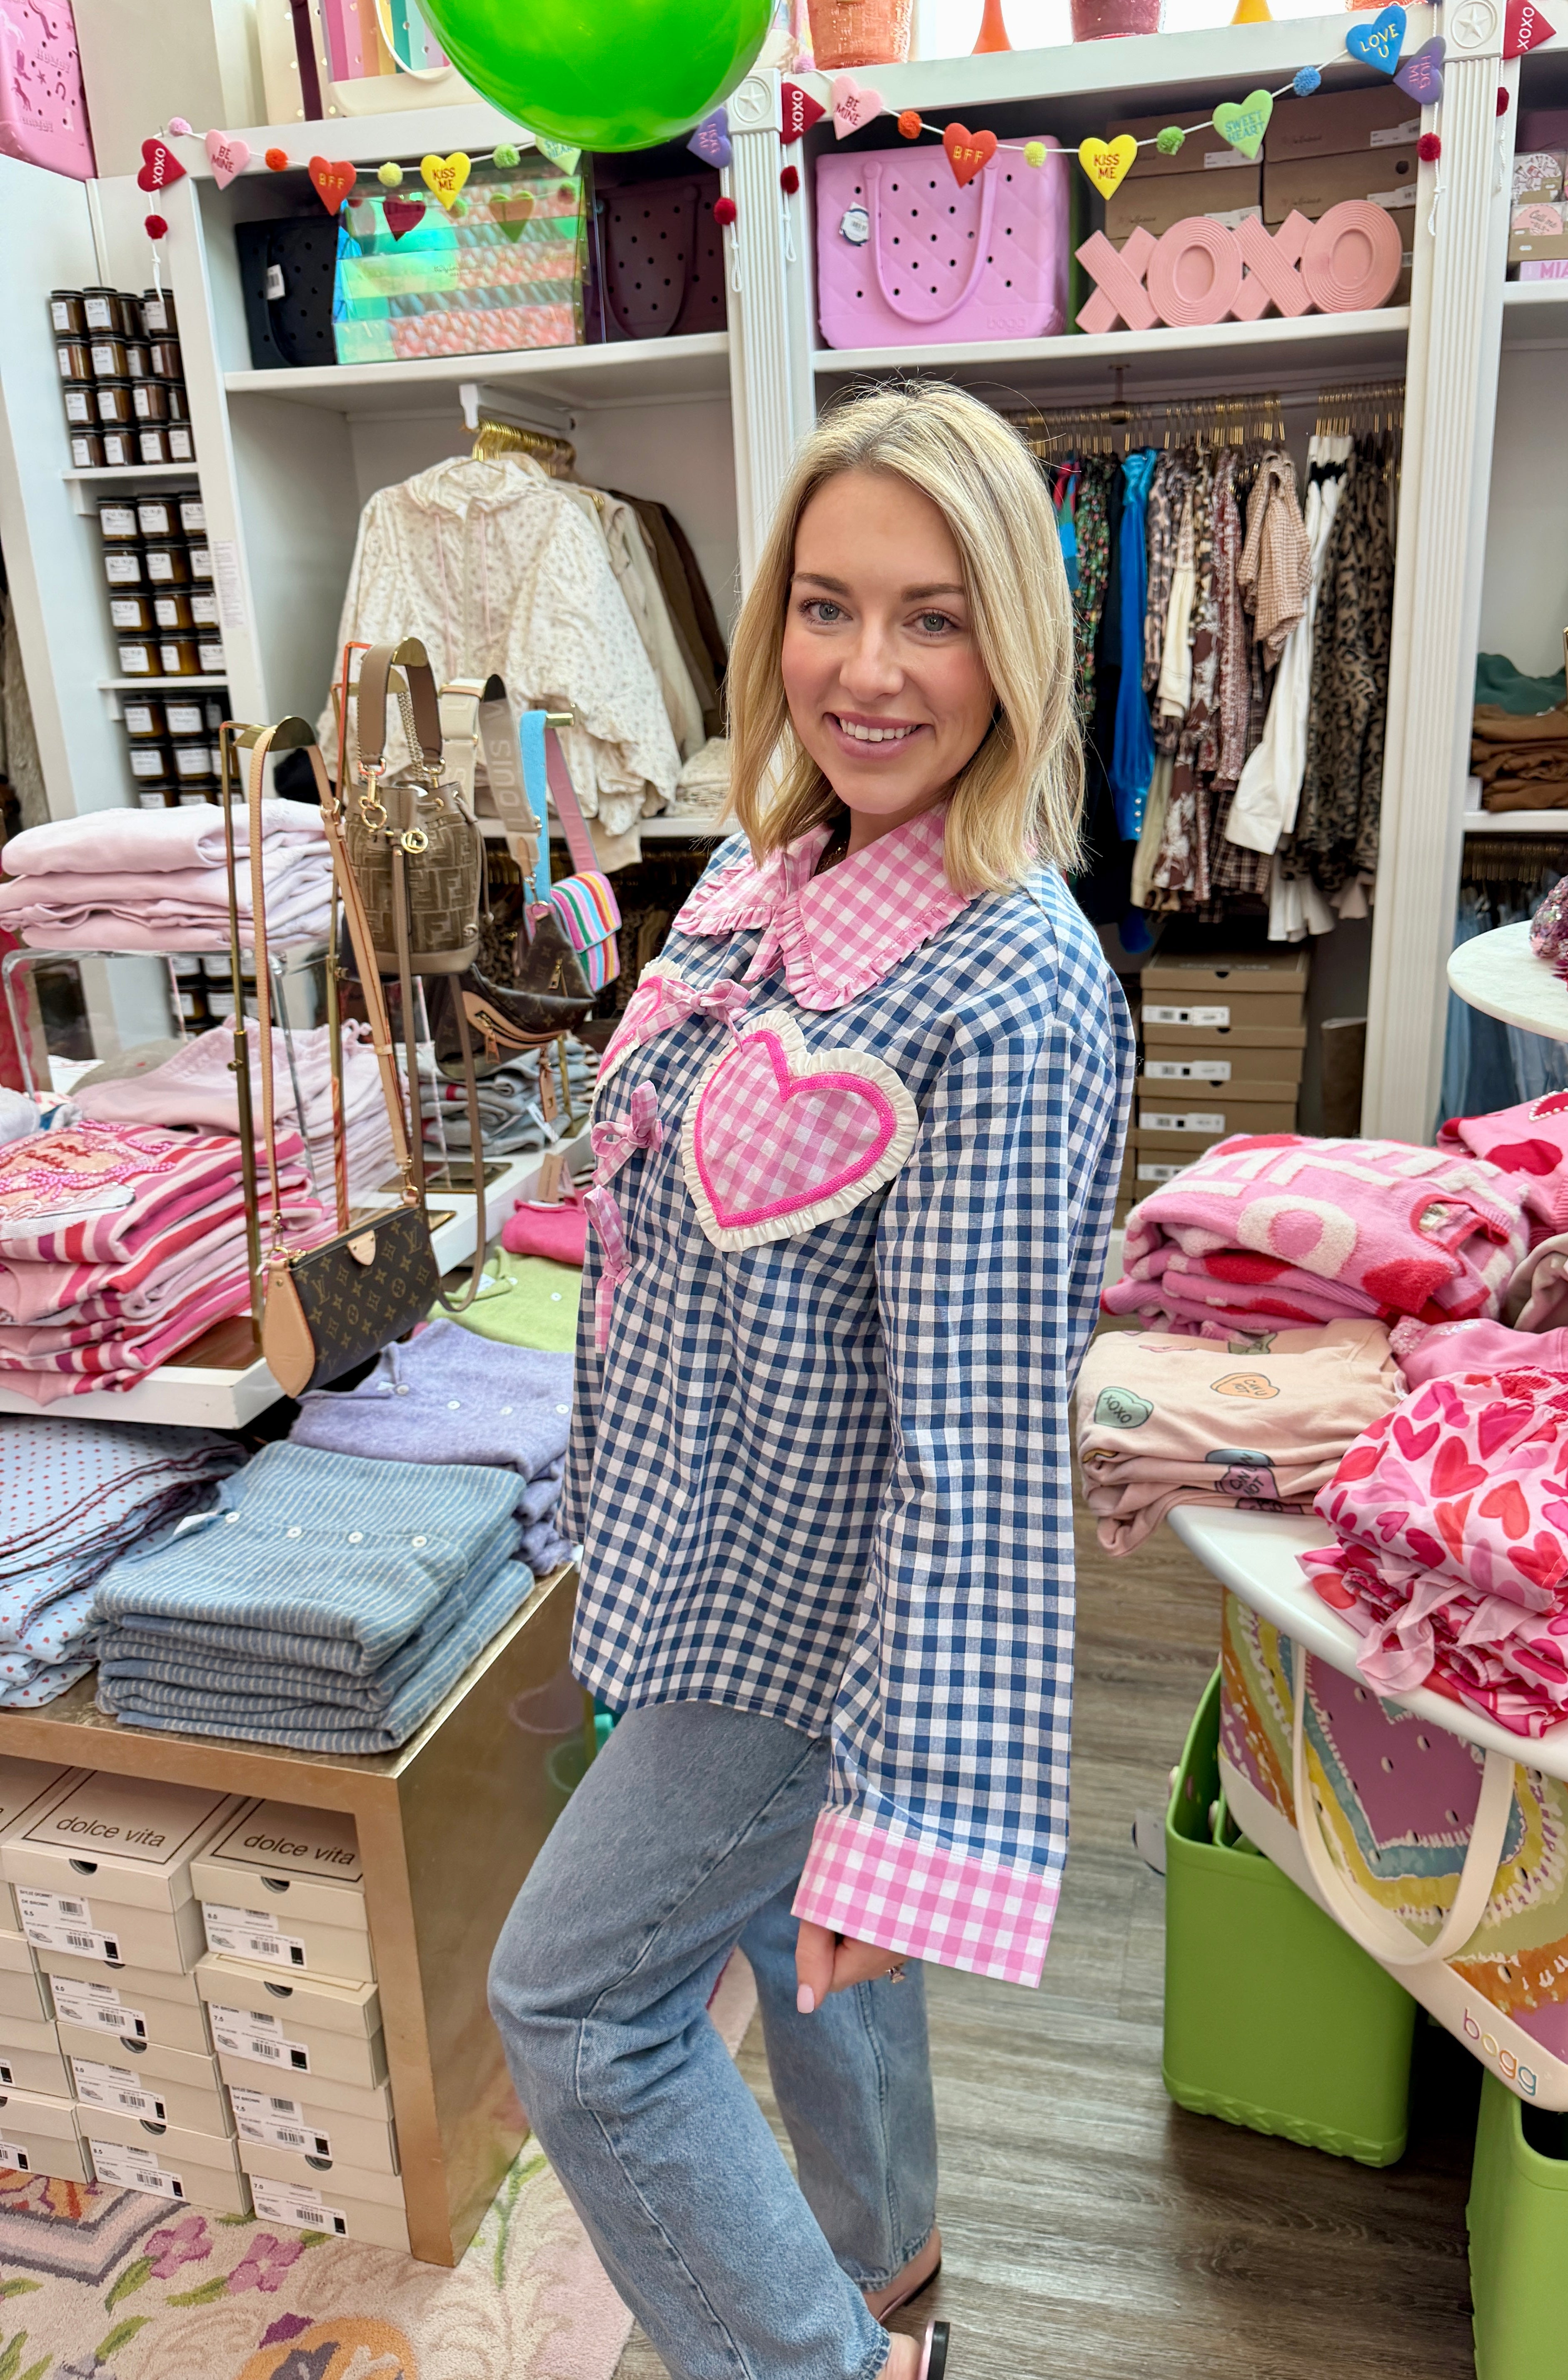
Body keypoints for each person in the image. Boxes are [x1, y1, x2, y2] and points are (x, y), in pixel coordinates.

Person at [489, 382, 1134, 2380]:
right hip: (692, 1536)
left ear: (1014, 642)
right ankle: (889, 2260)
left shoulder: (1010, 983)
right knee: (794, 1939)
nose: (870, 670)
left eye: (934, 617)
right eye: (829, 607)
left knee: (577, 2003)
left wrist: (900, 1795)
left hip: (803, 1612)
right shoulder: (766, 877)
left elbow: (977, 1452)